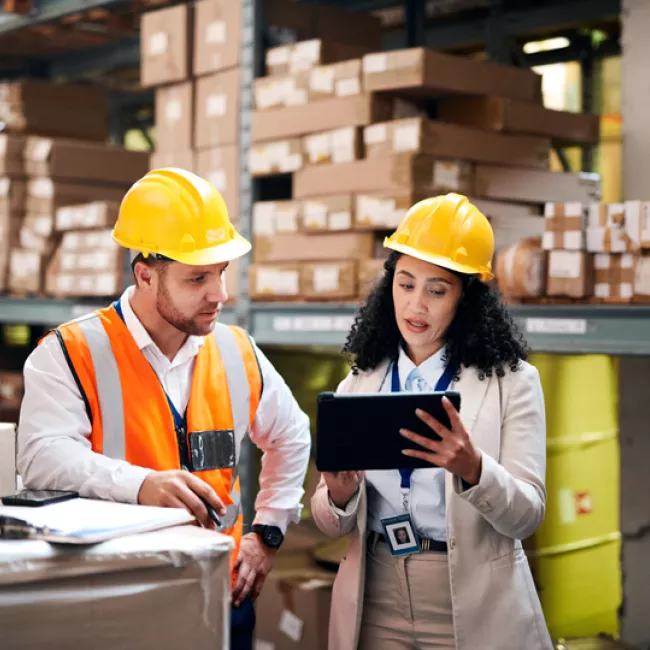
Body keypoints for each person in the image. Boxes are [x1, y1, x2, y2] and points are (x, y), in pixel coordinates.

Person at [17, 168, 311, 650]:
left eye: (220, 272)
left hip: (221, 593)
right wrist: (141, 484)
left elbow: (292, 435)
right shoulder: (69, 352)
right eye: (198, 278)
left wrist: (268, 534)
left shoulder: (238, 353)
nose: (220, 294)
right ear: (146, 275)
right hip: (118, 597)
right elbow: (41, 455)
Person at [311, 193, 553, 650]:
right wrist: (339, 497)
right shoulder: (360, 383)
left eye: (436, 290)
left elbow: (527, 516)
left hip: (471, 598)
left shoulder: (513, 383)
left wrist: (474, 470)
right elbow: (329, 521)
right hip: (377, 596)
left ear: (466, 298)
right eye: (405, 284)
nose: (416, 305)